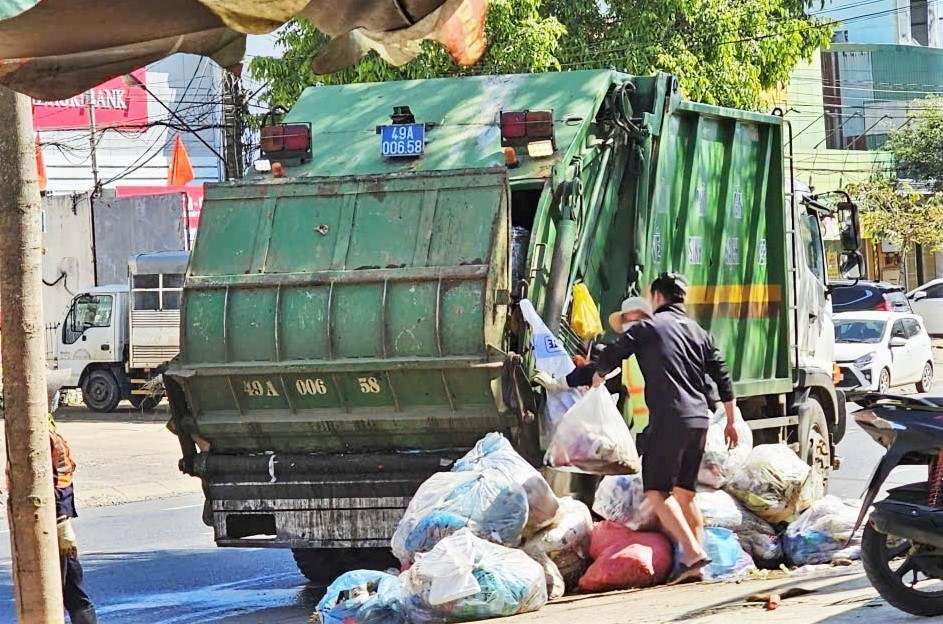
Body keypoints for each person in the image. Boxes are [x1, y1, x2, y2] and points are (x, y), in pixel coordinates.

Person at [563, 274, 737, 583]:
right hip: (699, 421)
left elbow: (613, 355)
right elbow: (722, 377)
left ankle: (694, 553)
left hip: (669, 419)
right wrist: (732, 421)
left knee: (657, 492)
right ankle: (695, 566)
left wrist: (597, 374)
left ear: (656, 297)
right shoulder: (699, 332)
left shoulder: (648, 328)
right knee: (685, 494)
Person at [47, 374, 98, 624]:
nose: (58, 396)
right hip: (54, 521)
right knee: (75, 594)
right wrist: (60, 521)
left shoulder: (48, 427)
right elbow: (51, 480)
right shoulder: (42, 433)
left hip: (56, 519)